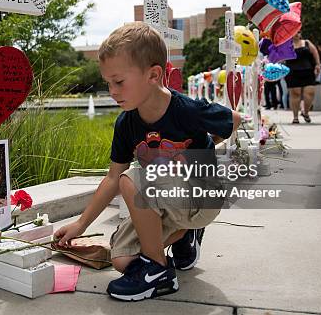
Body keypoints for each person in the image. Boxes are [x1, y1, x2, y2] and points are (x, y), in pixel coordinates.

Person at [54, 22, 241, 301]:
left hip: (202, 196)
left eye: (119, 82)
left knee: (134, 177)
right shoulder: (126, 123)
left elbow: (234, 120)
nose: (112, 91)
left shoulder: (185, 110)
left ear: (154, 75)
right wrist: (80, 225)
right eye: (108, 82)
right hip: (166, 199)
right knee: (122, 259)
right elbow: (111, 178)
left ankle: (158, 271)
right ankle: (185, 235)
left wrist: (204, 153)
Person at [284, 32, 321, 123]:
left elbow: (315, 52)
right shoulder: (286, 45)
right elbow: (281, 57)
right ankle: (295, 117)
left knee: (310, 93)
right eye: (294, 32)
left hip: (307, 71)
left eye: (298, 32)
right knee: (295, 94)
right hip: (292, 72)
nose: (296, 34)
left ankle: (306, 112)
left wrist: (318, 64)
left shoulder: (307, 43)